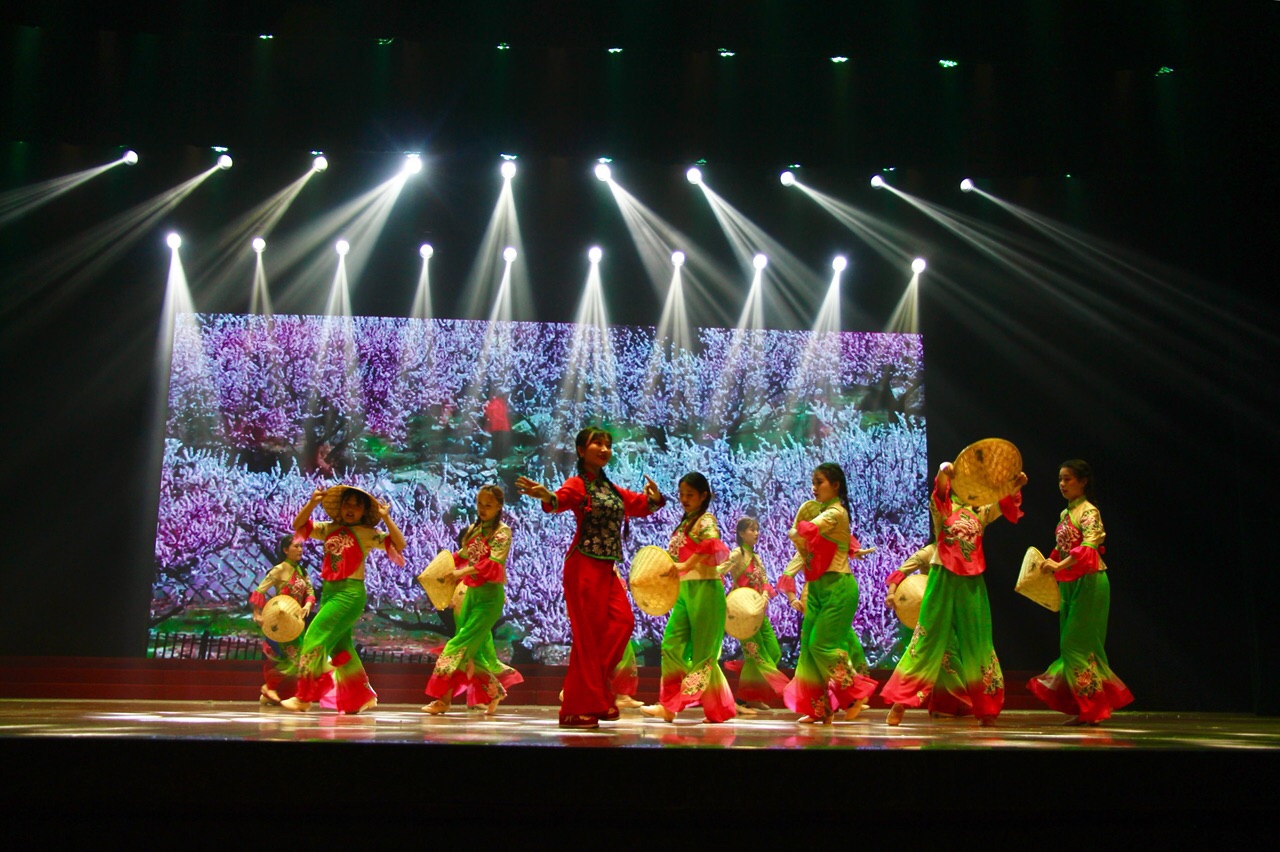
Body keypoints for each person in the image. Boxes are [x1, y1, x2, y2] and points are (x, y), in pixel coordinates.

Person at [515, 427, 665, 728]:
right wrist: (547, 496)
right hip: (583, 567)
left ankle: (592, 693)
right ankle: (576, 708)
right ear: (582, 451)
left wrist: (655, 498)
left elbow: (637, 505)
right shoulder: (578, 484)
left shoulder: (610, 489)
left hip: (607, 569)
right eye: (597, 443)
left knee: (623, 623)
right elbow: (561, 499)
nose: (605, 449)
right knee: (587, 638)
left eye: (608, 444)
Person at [882, 461, 1026, 726]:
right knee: (926, 638)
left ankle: (987, 708)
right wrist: (942, 471)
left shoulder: (980, 511)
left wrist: (1014, 486)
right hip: (943, 578)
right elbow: (938, 491)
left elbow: (1003, 505)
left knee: (979, 642)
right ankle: (901, 702)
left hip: (972, 581)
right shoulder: (943, 508)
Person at [280, 485, 406, 714]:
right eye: (347, 504)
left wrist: (386, 518)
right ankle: (360, 696)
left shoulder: (367, 533)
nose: (351, 509)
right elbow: (299, 526)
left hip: (350, 594)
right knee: (341, 648)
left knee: (314, 637)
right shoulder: (329, 528)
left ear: (363, 511)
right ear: (340, 507)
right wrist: (312, 503)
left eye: (357, 506)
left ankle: (303, 697)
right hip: (330, 592)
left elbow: (400, 544)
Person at [1027, 460, 1134, 724]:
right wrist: (1048, 562)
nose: (1062, 484)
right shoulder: (1066, 514)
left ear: (1083, 481)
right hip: (1069, 583)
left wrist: (1058, 565)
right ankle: (1086, 708)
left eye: (1068, 479)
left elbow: (1088, 548)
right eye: (1060, 479)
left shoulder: (1089, 512)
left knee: (1073, 645)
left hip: (1089, 581)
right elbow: (1061, 547)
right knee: (1080, 648)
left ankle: (1094, 708)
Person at [777, 463, 878, 724]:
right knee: (808, 651)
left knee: (821, 645)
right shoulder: (823, 513)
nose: (814, 487)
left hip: (838, 588)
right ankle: (819, 708)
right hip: (817, 589)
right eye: (813, 482)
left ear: (835, 485)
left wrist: (796, 529)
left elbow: (809, 529)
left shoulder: (836, 513)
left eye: (819, 482)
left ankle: (854, 694)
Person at [641, 472, 734, 723]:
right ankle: (671, 704)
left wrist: (685, 565)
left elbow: (712, 544)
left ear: (704, 496)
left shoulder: (706, 520)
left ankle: (713, 710)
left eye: (690, 494)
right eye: (681, 494)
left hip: (706, 589)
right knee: (671, 646)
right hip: (684, 591)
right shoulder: (684, 523)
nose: (684, 499)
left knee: (704, 654)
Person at [423, 484, 523, 715]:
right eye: (479, 504)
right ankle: (494, 691)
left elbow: (492, 564)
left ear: (499, 507)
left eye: (488, 505)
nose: (482, 509)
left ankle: (443, 699)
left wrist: (462, 571)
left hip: (489, 599)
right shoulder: (473, 530)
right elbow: (462, 555)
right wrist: (441, 568)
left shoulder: (502, 533)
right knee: (471, 652)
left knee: (456, 646)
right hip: (470, 594)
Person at [721, 517, 788, 713]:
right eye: (752, 530)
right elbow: (720, 570)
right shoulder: (737, 554)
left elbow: (765, 581)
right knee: (757, 654)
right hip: (742, 614)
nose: (756, 533)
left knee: (773, 652)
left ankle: (750, 697)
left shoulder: (756, 557)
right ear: (742, 534)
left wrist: (765, 594)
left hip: (758, 612)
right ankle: (750, 697)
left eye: (757, 529)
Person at [249, 534, 316, 705]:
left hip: (296, 622)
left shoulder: (302, 571)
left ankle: (274, 694)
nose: (300, 550)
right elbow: (260, 590)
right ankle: (271, 687)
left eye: (301, 547)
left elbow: (310, 592)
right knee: (296, 660)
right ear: (286, 550)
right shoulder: (279, 570)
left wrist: (307, 605)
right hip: (281, 621)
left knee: (295, 660)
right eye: (295, 547)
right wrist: (257, 613)